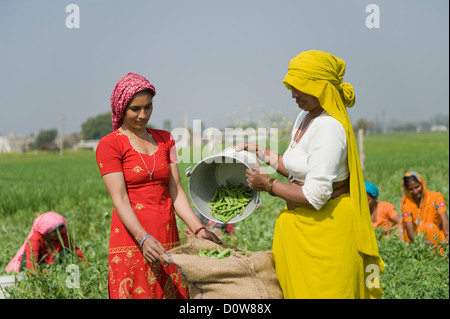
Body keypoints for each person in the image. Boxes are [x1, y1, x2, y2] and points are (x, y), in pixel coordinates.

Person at [237, 50, 384, 298]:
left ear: (321, 88)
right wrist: (261, 152)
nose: (293, 94)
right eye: (291, 88)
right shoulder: (306, 116)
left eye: (300, 88)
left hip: (327, 235)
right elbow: (296, 167)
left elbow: (315, 196)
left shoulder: (328, 128)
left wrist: (268, 184)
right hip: (301, 232)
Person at [96, 72, 221, 299]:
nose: (143, 115)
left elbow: (176, 191)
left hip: (167, 235)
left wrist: (198, 229)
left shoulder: (166, 139)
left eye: (148, 107)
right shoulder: (110, 144)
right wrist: (142, 237)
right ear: (121, 108)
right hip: (132, 238)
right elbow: (120, 200)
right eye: (135, 109)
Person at [5, 211, 85, 274]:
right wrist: (51, 274)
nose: (58, 233)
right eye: (54, 231)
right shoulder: (35, 240)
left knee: (66, 251)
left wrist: (85, 266)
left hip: (55, 271)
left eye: (60, 229)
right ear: (46, 231)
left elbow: (77, 252)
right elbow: (30, 268)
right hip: (37, 272)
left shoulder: (62, 237)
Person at [400, 171, 449, 246]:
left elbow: (445, 219)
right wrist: (425, 242)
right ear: (406, 190)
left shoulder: (436, 197)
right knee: (429, 227)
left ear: (422, 184)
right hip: (419, 241)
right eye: (411, 189)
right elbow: (411, 233)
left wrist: (447, 236)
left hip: (438, 237)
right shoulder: (407, 204)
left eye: (417, 187)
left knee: (430, 227)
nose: (415, 191)